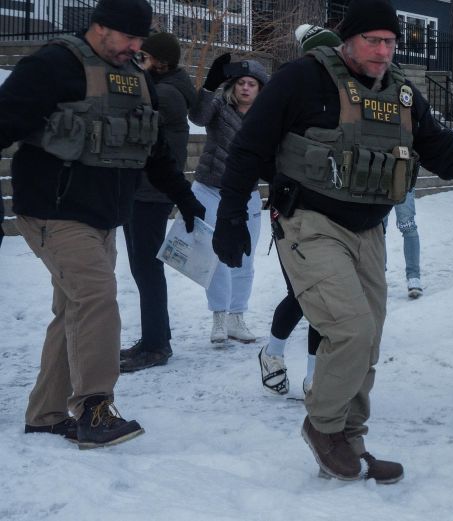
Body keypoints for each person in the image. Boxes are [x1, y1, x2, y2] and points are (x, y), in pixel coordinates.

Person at [211, 0, 453, 484]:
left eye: (390, 41)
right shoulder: (304, 79)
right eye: (372, 41)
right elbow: (249, 145)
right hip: (309, 222)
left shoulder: (400, 93)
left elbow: (445, 153)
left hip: (368, 230)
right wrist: (231, 213)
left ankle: (350, 441)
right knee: (350, 328)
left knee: (369, 338)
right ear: (348, 40)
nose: (383, 51)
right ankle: (323, 428)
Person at [0, 0, 204, 448]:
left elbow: (153, 149)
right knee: (96, 297)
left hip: (104, 217)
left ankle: (46, 415)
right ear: (99, 27)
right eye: (128, 37)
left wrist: (184, 198)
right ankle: (95, 406)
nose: (135, 47)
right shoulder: (54, 65)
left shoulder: (136, 77)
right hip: (53, 212)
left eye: (140, 40)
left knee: (74, 309)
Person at [258, 24, 341, 396]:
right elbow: (258, 148)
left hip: (335, 213)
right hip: (292, 210)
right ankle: (273, 353)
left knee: (323, 297)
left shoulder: (346, 95)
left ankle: (313, 377)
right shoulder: (289, 90)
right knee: (304, 294)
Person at [120, 32, 198, 373]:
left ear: (161, 63)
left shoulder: (164, 93)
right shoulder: (166, 87)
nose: (139, 62)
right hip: (145, 189)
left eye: (144, 58)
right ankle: (155, 337)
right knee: (144, 268)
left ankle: (156, 345)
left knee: (147, 268)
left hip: (150, 192)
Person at [189, 54, 269, 344]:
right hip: (210, 189)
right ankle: (219, 317)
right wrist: (209, 86)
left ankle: (237, 317)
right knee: (217, 255)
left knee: (245, 258)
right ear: (233, 86)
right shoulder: (219, 107)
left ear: (260, 89)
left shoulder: (266, 116)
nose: (246, 88)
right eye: (241, 83)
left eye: (252, 84)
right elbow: (197, 116)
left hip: (247, 194)